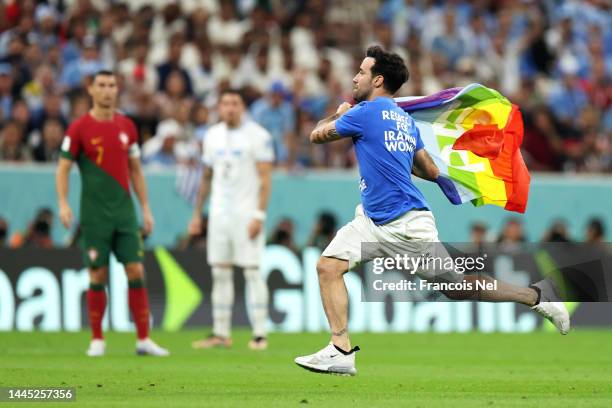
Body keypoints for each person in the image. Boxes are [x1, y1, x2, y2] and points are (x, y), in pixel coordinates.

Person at [294, 46, 570, 376]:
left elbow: (315, 136)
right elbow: (429, 170)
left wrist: (339, 115)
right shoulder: (404, 121)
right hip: (372, 219)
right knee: (328, 267)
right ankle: (340, 350)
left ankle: (535, 296)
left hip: (405, 225)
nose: (355, 77)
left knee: (456, 286)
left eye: (362, 72)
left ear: (378, 80)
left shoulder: (362, 113)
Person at [56, 70, 168, 357]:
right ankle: (97, 339)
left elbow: (136, 170)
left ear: (117, 90)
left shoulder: (127, 126)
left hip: (125, 213)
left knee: (136, 270)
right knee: (98, 274)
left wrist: (146, 208)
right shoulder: (79, 128)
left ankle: (143, 339)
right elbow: (64, 167)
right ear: (91, 90)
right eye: (101, 85)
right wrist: (63, 203)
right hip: (94, 215)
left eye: (112, 86)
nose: (107, 91)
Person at [188, 89, 274, 351]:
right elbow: (206, 177)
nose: (229, 108)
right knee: (220, 271)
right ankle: (221, 333)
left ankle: (260, 334)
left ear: (242, 108)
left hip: (246, 214)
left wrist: (259, 215)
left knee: (251, 270)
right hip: (219, 215)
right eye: (224, 103)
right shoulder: (211, 135)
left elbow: (266, 180)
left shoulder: (258, 136)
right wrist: (196, 214)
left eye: (234, 103)